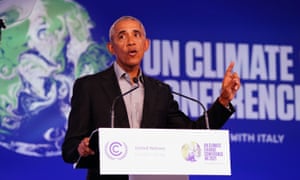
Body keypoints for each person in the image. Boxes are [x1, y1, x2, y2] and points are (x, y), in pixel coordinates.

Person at [62, 15, 241, 180]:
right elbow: (69, 148)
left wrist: (223, 101)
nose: (131, 42)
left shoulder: (160, 91)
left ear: (146, 44)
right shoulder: (89, 86)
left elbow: (193, 134)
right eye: (122, 36)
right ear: (111, 47)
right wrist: (81, 148)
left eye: (136, 35)